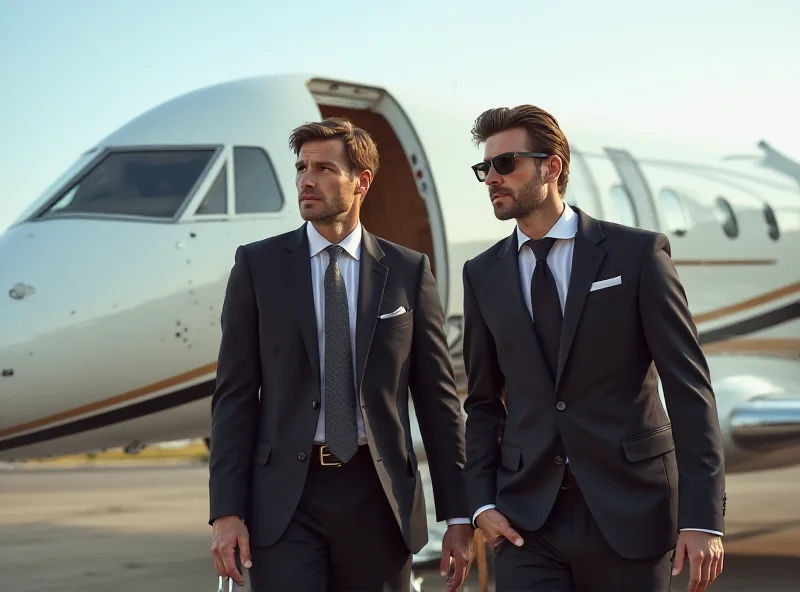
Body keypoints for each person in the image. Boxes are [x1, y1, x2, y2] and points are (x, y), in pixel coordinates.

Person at [460, 105, 726, 592]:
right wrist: (481, 504)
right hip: (527, 523)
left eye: (505, 165)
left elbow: (689, 390)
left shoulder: (637, 254)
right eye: (485, 168)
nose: (491, 179)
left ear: (552, 167)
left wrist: (702, 518)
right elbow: (482, 401)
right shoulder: (481, 274)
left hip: (631, 511)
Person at [207, 116, 474, 591]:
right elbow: (234, 397)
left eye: (325, 169)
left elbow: (437, 402)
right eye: (302, 167)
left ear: (361, 181)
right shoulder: (257, 266)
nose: (307, 179)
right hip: (287, 498)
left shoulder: (408, 271)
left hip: (379, 495)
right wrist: (226, 512)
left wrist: (457, 514)